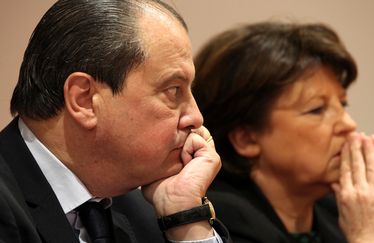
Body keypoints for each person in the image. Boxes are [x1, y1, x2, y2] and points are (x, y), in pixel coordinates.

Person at [0, 0, 231, 242]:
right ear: (84, 100)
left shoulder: (144, 211)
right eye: (173, 90)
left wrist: (185, 216)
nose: (196, 117)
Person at [192, 21, 374, 243]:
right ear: (245, 138)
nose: (348, 124)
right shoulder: (215, 226)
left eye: (342, 105)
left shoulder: (345, 210)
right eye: (317, 109)